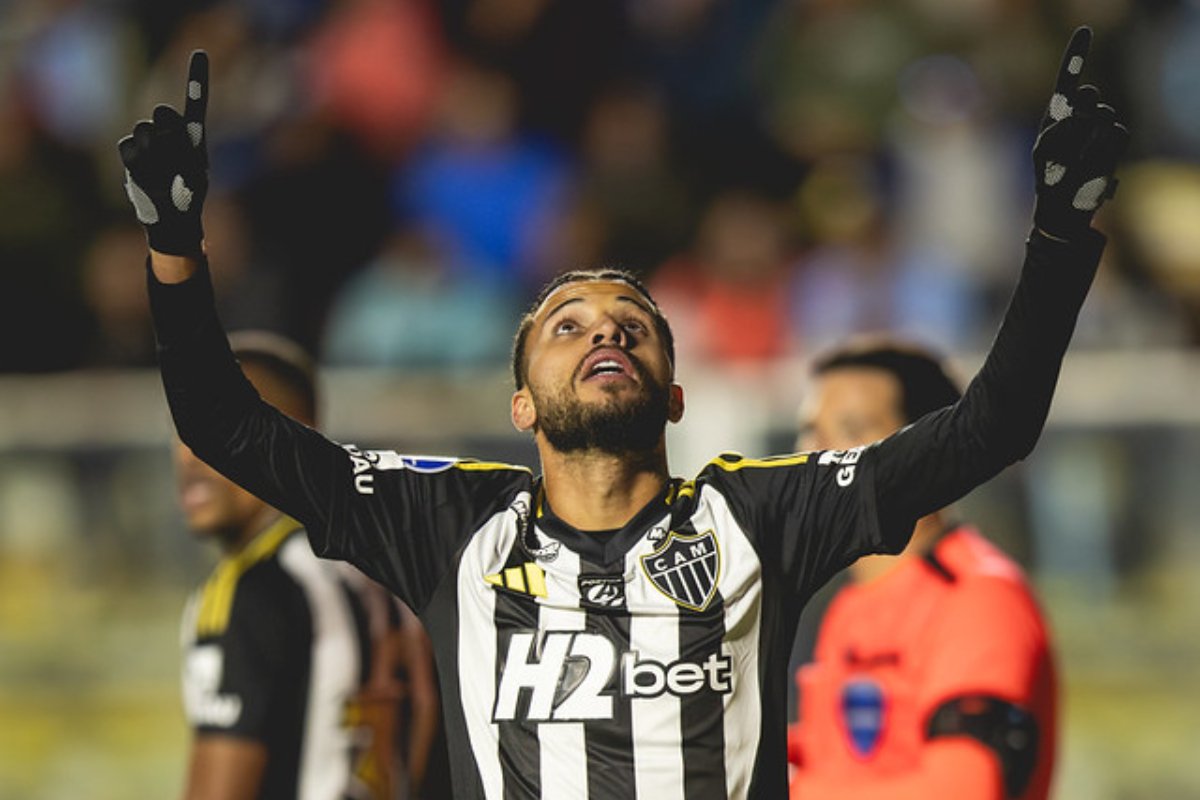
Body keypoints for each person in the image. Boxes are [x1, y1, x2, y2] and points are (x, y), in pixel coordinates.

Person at [119, 27, 1125, 799]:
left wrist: (1061, 232)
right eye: (567, 323)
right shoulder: (448, 522)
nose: (604, 330)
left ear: (674, 394)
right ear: (521, 402)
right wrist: (174, 251)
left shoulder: (757, 515)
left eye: (631, 323)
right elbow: (225, 425)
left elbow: (992, 423)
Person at [172, 331, 439, 799]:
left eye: (216, 427)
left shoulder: (250, 587)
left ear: (286, 434)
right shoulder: (394, 569)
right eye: (185, 428)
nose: (189, 456)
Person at [788, 340, 1057, 799]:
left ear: (927, 453)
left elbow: (965, 788)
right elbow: (832, 761)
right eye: (810, 431)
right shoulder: (847, 602)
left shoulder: (979, 596)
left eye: (850, 429)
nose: (816, 455)